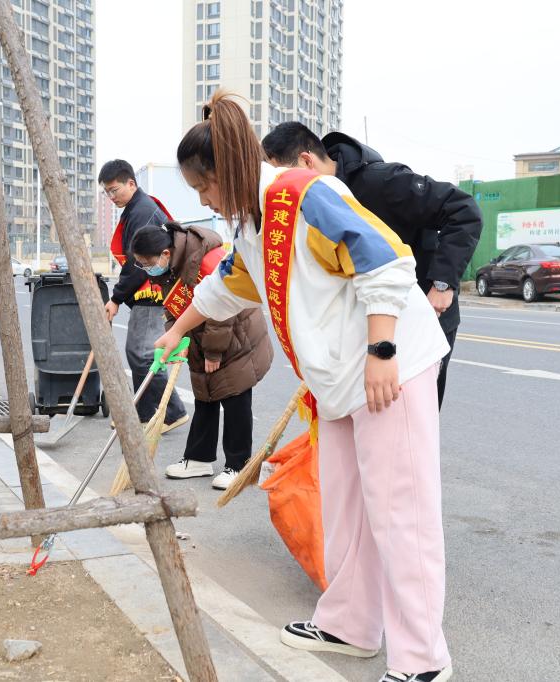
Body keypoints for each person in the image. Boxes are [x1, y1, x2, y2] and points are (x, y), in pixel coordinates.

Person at [156, 93, 453, 682]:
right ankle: (350, 624)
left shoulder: (302, 193)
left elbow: (385, 259)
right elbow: (231, 283)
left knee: (402, 513)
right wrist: (177, 329)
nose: (204, 200)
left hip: (386, 366)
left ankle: (424, 661)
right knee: (345, 509)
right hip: (339, 378)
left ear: (225, 171)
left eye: (203, 187)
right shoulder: (250, 220)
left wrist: (382, 352)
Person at [262, 122, 482, 407]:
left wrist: (443, 283)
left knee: (413, 415)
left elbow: (463, 210)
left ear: (306, 161)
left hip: (424, 315)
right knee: (372, 416)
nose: (280, 189)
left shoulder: (382, 183)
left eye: (283, 176)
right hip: (371, 320)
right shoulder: (310, 204)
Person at [130, 221, 272, 489]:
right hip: (200, 337)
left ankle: (238, 465)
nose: (147, 269)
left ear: (165, 253)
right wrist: (177, 337)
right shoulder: (169, 269)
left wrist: (213, 351)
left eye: (147, 263)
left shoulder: (206, 259)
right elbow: (173, 306)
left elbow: (223, 309)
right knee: (204, 394)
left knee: (235, 397)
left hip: (236, 336)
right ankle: (199, 458)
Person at [98, 159, 188, 431]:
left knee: (143, 354)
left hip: (152, 292)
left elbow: (138, 263)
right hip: (147, 291)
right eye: (107, 192)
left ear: (131, 183)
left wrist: (116, 298)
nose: (112, 197)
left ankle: (171, 412)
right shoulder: (136, 209)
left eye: (114, 190)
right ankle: (144, 413)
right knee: (138, 353)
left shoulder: (142, 211)